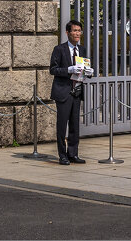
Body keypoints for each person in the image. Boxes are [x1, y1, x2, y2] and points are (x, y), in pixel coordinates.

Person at [49, 19, 93, 165]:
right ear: (67, 33)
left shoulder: (82, 50)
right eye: (74, 31)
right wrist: (68, 70)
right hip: (63, 91)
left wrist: (89, 72)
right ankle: (62, 155)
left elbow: (84, 69)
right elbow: (53, 70)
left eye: (79, 31)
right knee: (62, 125)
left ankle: (73, 153)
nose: (77, 33)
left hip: (77, 91)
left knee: (75, 125)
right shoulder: (59, 49)